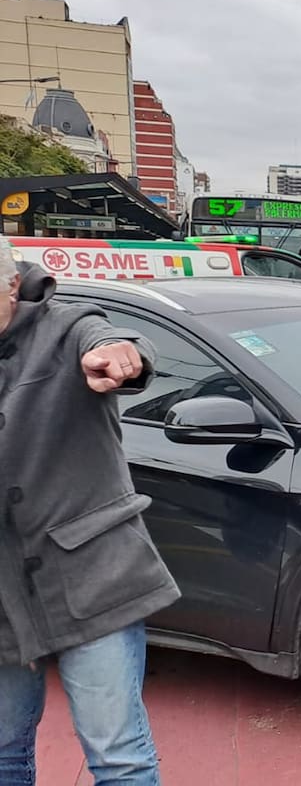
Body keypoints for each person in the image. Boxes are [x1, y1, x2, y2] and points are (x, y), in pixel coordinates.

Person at [0, 241, 180, 786]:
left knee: (117, 755)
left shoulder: (66, 325)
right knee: (4, 753)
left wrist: (123, 355)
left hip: (92, 579)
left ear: (11, 286)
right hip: (2, 596)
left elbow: (111, 341)